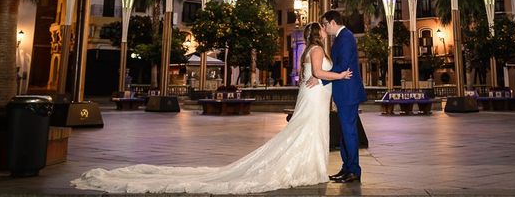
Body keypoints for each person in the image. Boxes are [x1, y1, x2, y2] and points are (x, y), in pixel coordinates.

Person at [71, 22, 352, 194]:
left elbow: (312, 74)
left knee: (308, 132)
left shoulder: (313, 50)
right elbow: (317, 71)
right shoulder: (316, 51)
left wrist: (319, 77)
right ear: (318, 34)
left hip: (314, 97)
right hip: (313, 99)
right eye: (322, 30)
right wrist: (338, 76)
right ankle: (307, 168)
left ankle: (311, 168)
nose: (325, 33)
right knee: (305, 132)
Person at [318, 10, 367, 183]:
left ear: (332, 22)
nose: (324, 27)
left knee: (349, 133)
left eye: (324, 24)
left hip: (348, 92)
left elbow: (343, 65)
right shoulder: (341, 37)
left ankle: (353, 170)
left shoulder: (345, 37)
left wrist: (321, 76)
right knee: (345, 133)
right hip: (344, 91)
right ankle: (347, 168)